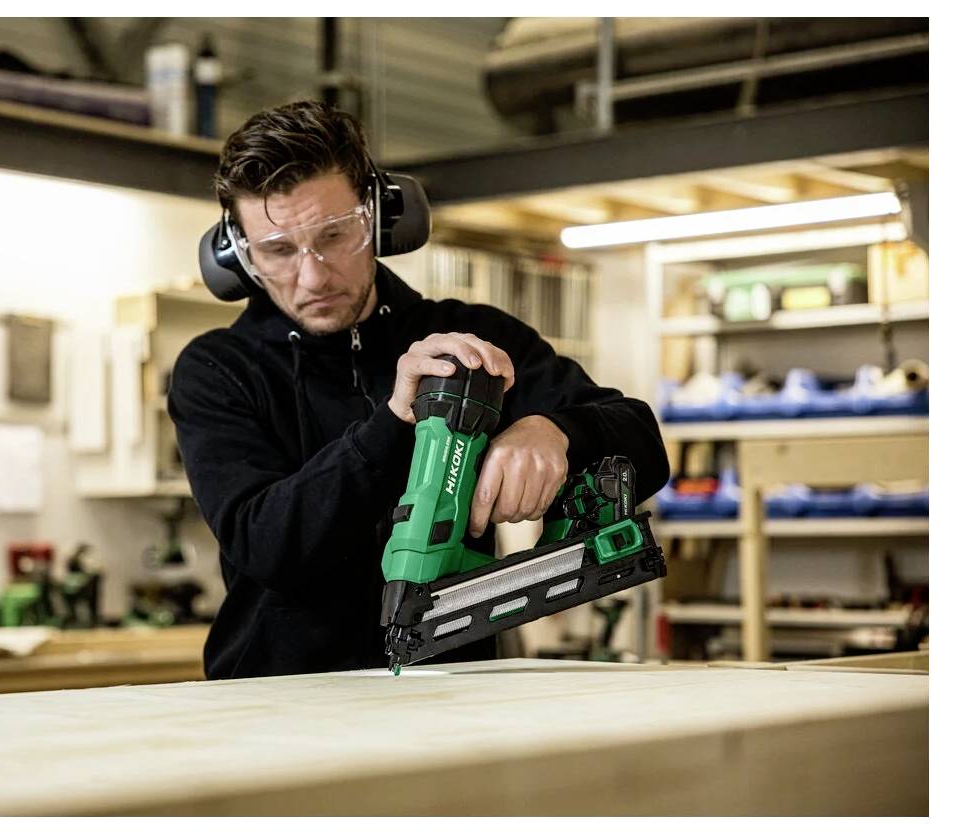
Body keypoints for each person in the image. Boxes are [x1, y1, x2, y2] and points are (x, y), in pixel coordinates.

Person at [169, 100, 669, 680]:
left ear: (381, 217)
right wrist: (393, 424)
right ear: (237, 252)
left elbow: (643, 443)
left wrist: (555, 431)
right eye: (277, 251)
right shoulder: (218, 369)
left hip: (454, 694)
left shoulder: (471, 341)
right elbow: (267, 545)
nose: (312, 275)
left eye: (335, 236)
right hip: (281, 702)